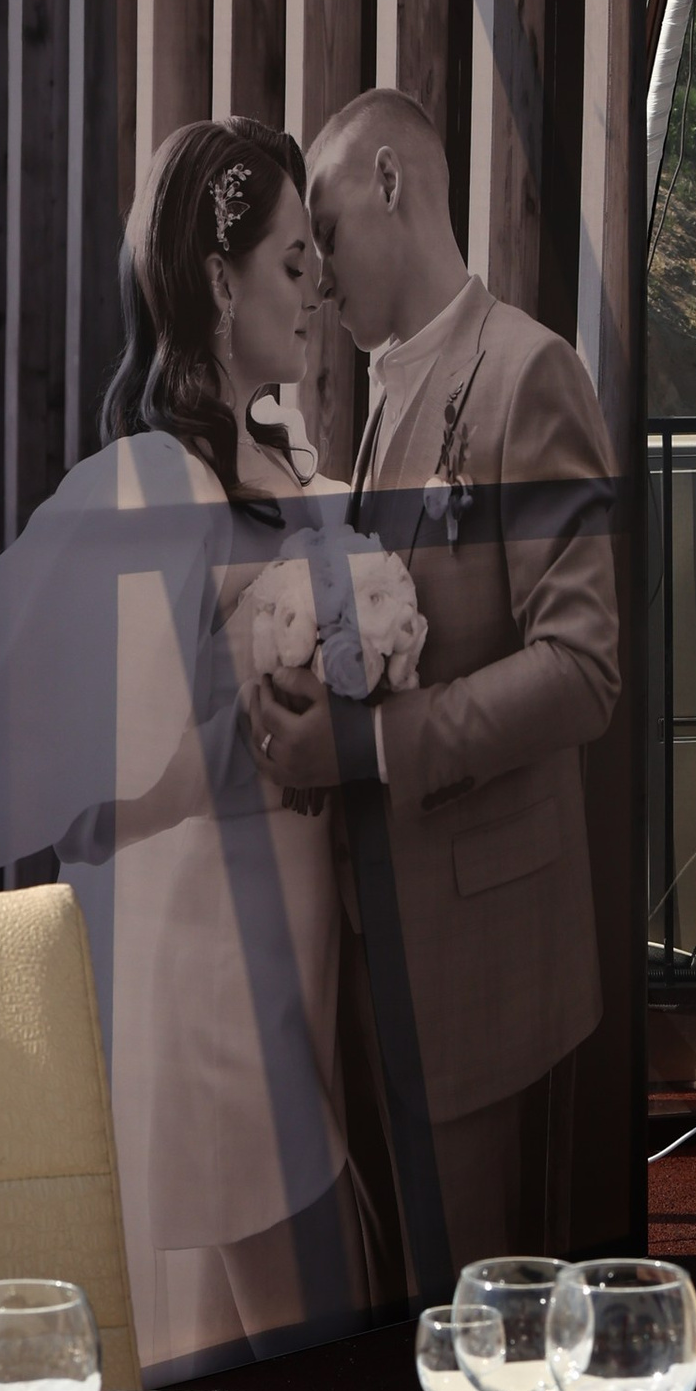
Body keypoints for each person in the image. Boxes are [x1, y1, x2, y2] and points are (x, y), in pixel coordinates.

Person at [0, 119, 372, 1378]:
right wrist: (273, 737)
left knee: (281, 1389)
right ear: (217, 280)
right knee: (315, 1379)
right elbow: (84, 782)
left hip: (297, 976)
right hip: (218, 995)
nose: (317, 294)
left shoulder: (281, 457)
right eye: (296, 264)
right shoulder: (156, 486)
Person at [244, 87, 621, 1272]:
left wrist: (362, 747)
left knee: (482, 1321)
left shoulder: (529, 374)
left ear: (393, 183)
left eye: (328, 230)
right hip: (379, 942)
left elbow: (581, 670)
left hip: (482, 965)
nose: (315, 275)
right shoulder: (387, 389)